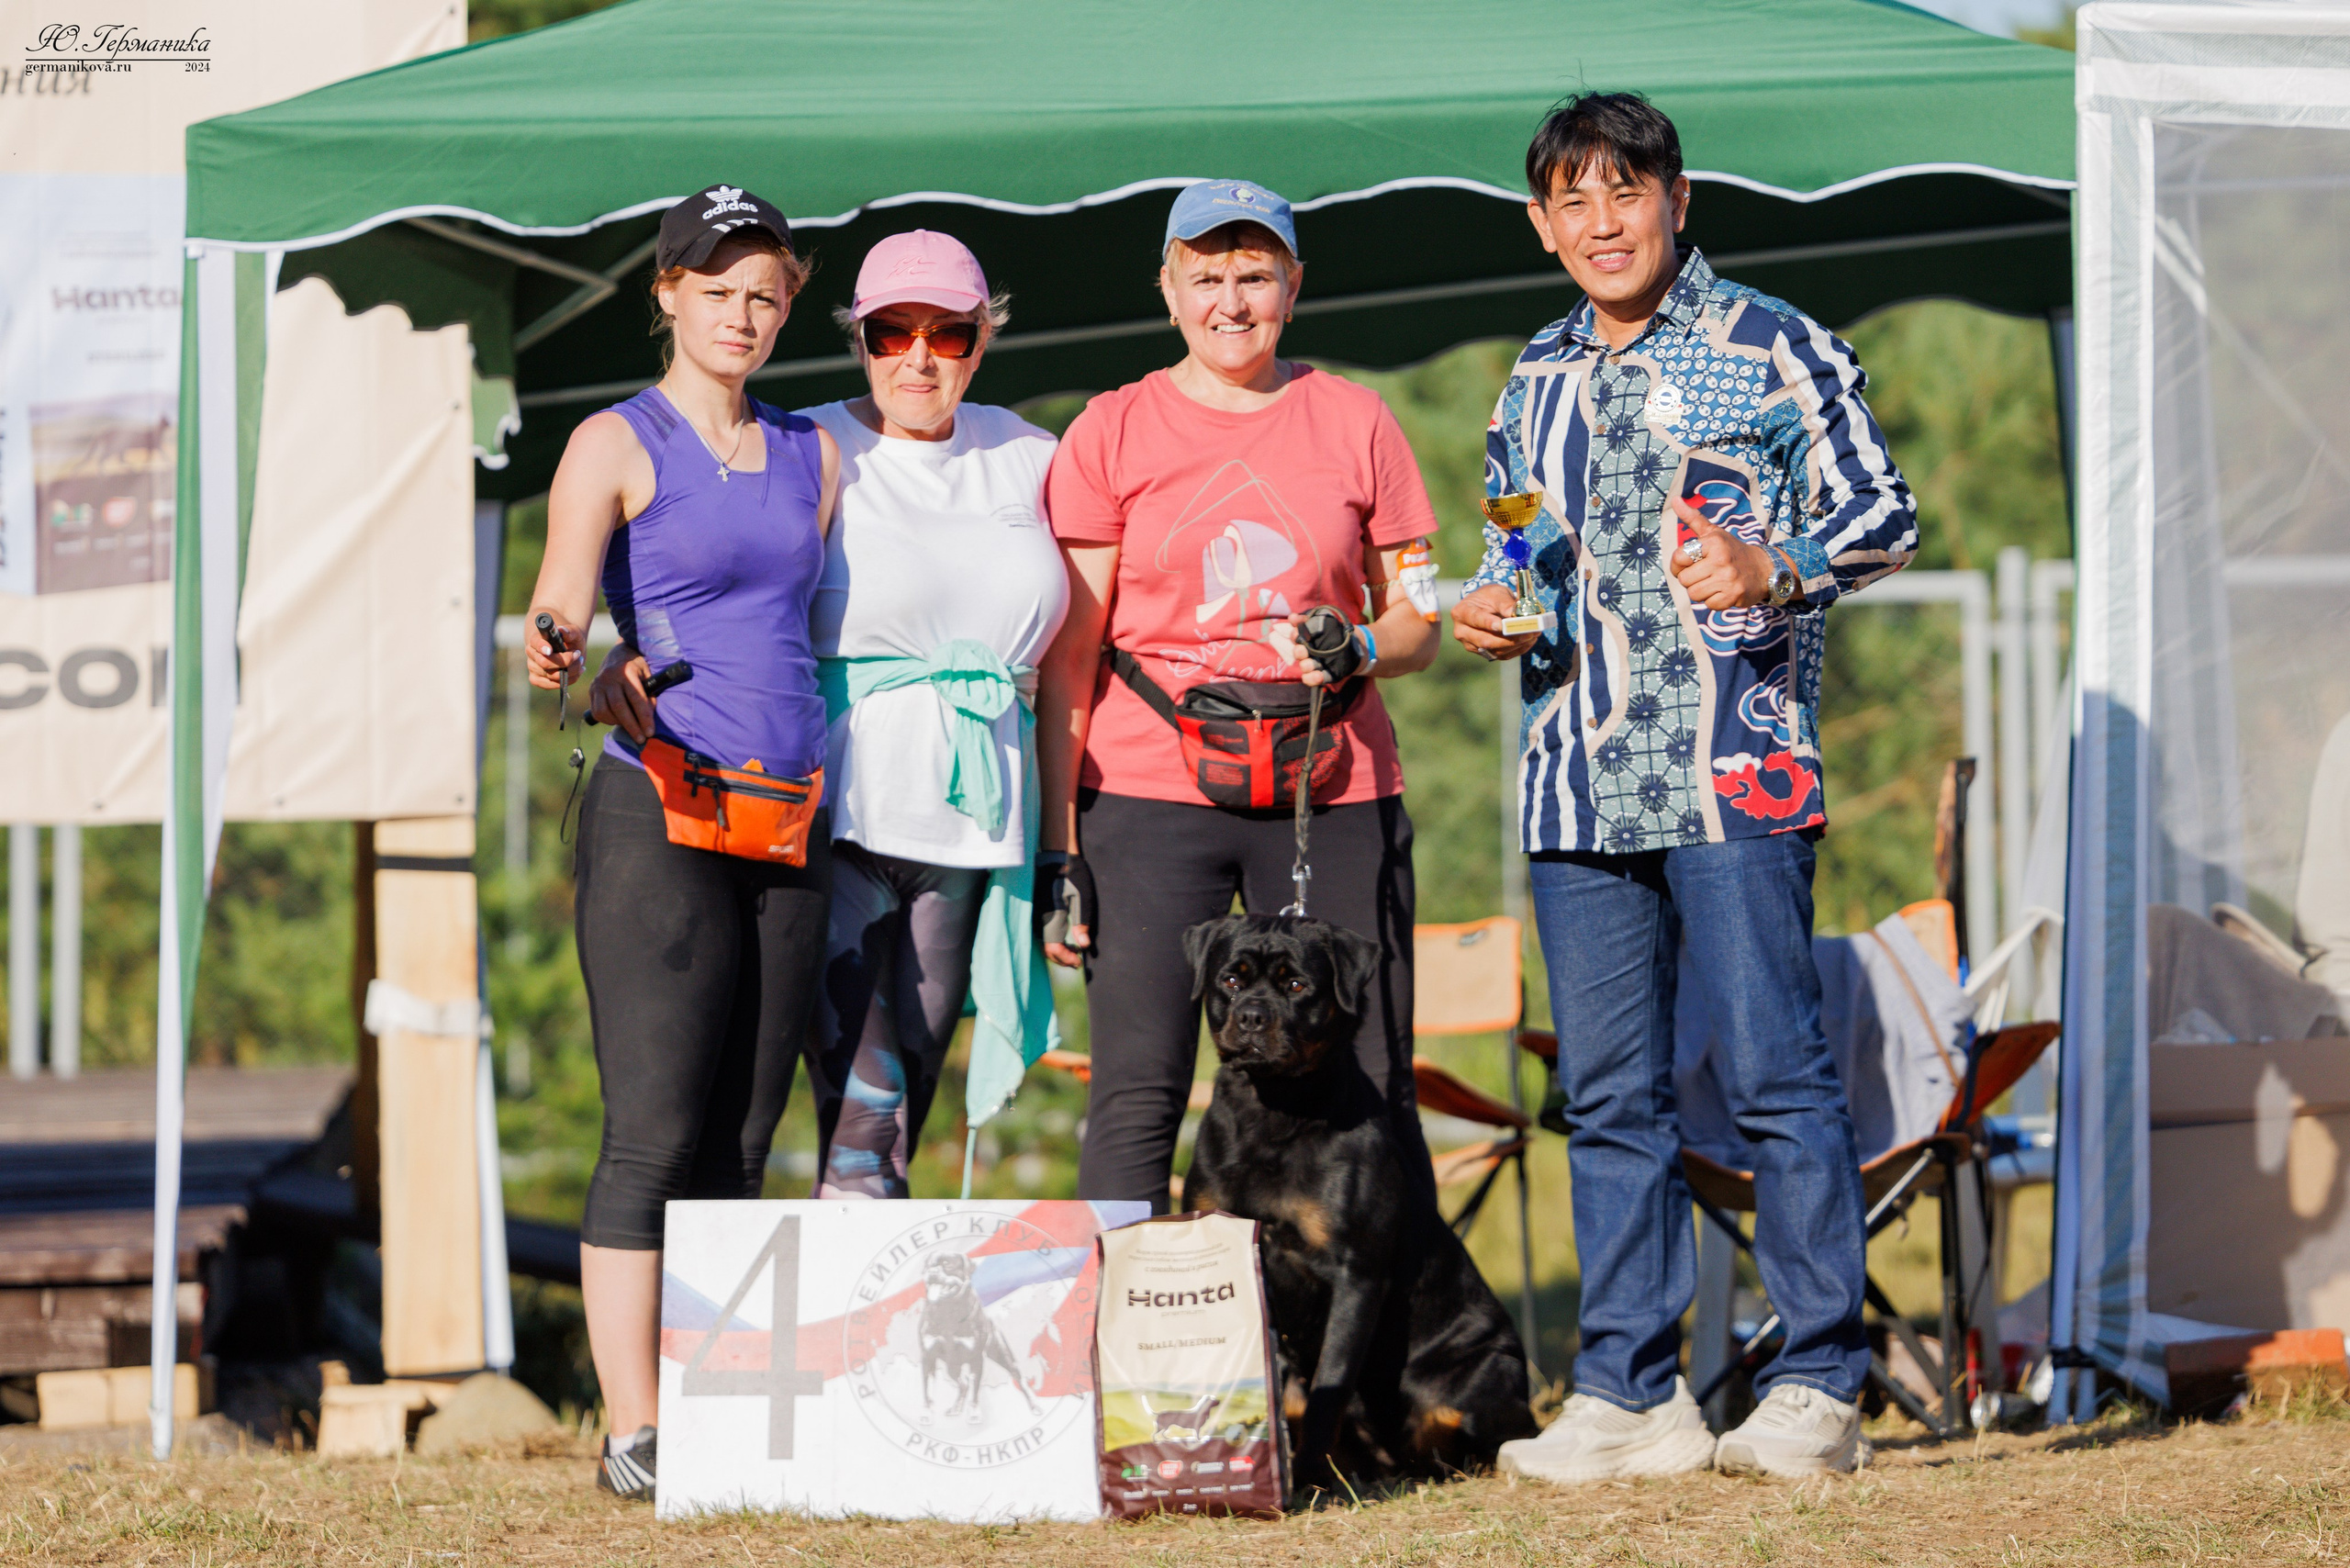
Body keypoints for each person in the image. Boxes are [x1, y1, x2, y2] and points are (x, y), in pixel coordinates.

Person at [1451, 95, 1916, 1482]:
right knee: (1607, 1096)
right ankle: (1629, 1395)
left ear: (1678, 198)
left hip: (1737, 771)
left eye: (1625, 194)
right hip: (1575, 783)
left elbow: (1883, 511)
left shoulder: (1772, 345)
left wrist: (1778, 569)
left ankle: (1822, 1381)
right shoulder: (1532, 374)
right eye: (1572, 202)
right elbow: (1520, 541)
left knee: (1778, 1073)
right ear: (1541, 224)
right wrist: (1499, 604)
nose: (1601, 224)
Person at [596, 230, 1064, 1199]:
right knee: (865, 1114)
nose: (920, 356)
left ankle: (851, 1327)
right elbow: (709, 576)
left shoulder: (1031, 454)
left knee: (904, 1106)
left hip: (974, 822)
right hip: (830, 812)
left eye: (950, 333)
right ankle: (834, 1330)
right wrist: (629, 654)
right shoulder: (804, 444)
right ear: (859, 337)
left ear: (985, 339)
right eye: (893, 331)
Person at [1035, 180, 1444, 1210]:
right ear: (1166, 289)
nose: (1231, 300)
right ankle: (1119, 1354)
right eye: (1205, 275)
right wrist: (1059, 845)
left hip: (1332, 790)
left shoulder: (1358, 421)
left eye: (1254, 275)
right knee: (1138, 1091)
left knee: (1372, 1080)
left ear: (1293, 287)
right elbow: (1070, 654)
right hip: (1145, 793)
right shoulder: (1111, 430)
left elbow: (1418, 624)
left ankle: (1367, 1363)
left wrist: (1359, 646)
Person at [525, 185, 839, 1501]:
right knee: (651, 1131)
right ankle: (635, 1429)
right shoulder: (615, 440)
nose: (743, 314)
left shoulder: (819, 453)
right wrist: (573, 650)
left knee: (744, 1137)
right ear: (667, 293)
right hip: (661, 804)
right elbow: (560, 600)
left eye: (765, 293)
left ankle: (719, 1410)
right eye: (717, 290)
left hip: (792, 812)